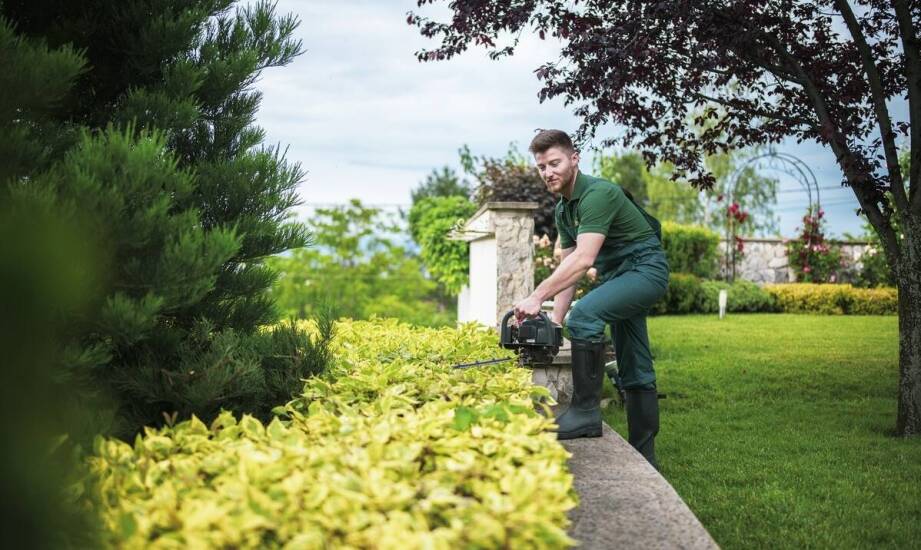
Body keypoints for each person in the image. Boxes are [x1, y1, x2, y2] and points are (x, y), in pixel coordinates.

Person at [513, 129, 669, 468]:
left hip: (645, 270)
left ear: (574, 158)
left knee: (584, 316)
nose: (548, 172)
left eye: (554, 163)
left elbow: (584, 259)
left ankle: (585, 413)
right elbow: (570, 267)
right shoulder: (564, 211)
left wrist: (537, 296)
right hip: (619, 276)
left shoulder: (598, 194)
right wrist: (553, 322)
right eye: (541, 167)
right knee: (635, 365)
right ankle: (645, 456)